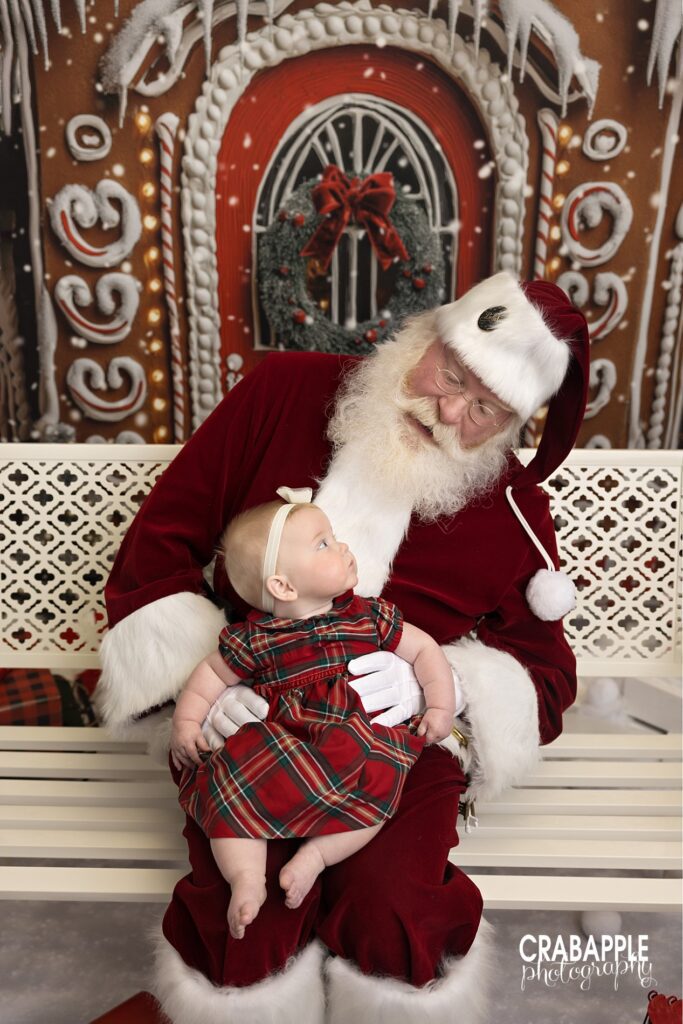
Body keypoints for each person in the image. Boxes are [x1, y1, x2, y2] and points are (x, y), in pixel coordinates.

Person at [96, 271, 589, 1024]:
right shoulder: (286, 392)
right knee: (243, 916)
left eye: (484, 408)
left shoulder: (513, 509)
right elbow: (153, 554)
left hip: (397, 750)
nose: (448, 410)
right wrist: (208, 685)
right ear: (427, 334)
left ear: (515, 422)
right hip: (248, 719)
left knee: (392, 906)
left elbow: (546, 677)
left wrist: (441, 683)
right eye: (449, 374)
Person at [170, 494, 455, 940]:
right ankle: (245, 877)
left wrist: (439, 705)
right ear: (283, 586)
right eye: (324, 544)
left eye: (335, 538)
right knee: (227, 789)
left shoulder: (367, 616)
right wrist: (187, 724)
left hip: (355, 736)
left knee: (379, 789)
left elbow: (424, 650)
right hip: (278, 741)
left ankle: (317, 856)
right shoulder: (255, 638)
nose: (342, 547)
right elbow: (207, 675)